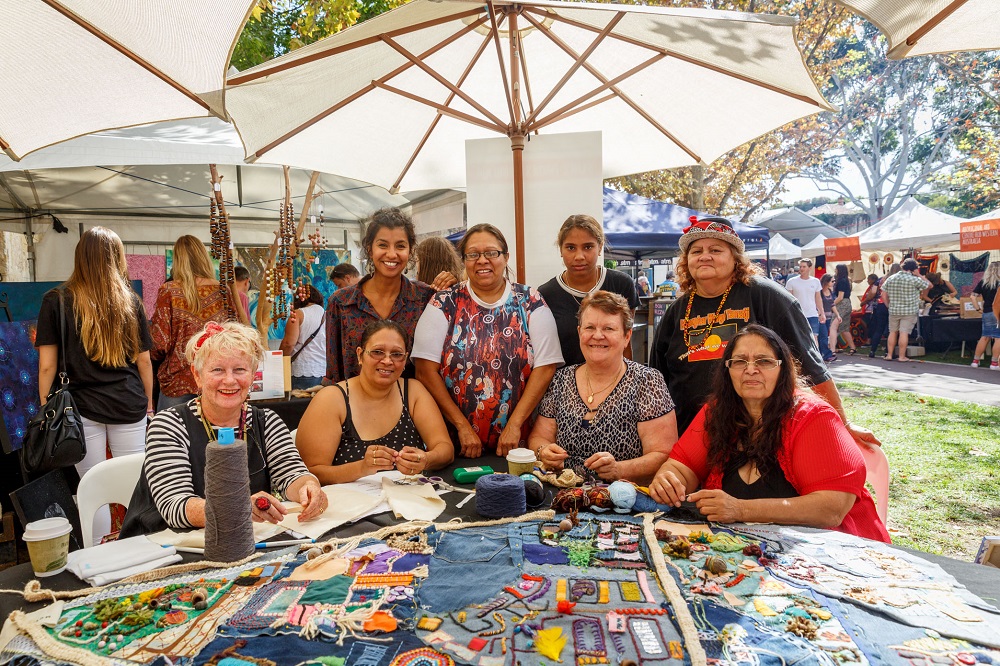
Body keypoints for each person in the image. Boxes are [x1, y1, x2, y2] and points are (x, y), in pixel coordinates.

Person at [650, 216, 878, 449]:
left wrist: (843, 424)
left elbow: (811, 366)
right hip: (689, 440)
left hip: (758, 441)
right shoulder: (676, 312)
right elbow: (656, 385)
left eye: (715, 249)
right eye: (696, 250)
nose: (704, 256)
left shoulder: (766, 296)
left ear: (736, 259)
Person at [649, 325, 889, 543]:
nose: (750, 370)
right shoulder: (717, 411)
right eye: (740, 361)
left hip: (838, 553)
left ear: (782, 369)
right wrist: (669, 480)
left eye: (763, 361)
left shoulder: (813, 416)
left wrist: (740, 510)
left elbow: (831, 509)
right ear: (728, 369)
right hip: (749, 552)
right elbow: (681, 467)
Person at [120, 322, 327, 537]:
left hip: (235, 540)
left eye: (239, 369)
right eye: (217, 370)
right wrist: (237, 508)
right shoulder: (169, 425)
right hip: (164, 546)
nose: (229, 380)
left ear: (253, 375)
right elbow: (175, 506)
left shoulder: (266, 422)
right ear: (197, 375)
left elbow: (291, 473)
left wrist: (308, 487)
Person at [35, 227, 154, 544]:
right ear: (117, 258)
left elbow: (47, 364)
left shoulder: (56, 301)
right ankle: (139, 549)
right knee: (134, 484)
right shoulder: (130, 302)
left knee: (92, 486)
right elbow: (143, 361)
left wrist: (47, 406)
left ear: (79, 257)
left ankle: (99, 558)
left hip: (79, 408)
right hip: (128, 403)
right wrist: (150, 404)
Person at [413, 223, 564, 458]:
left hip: (519, 444)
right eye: (473, 254)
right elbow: (424, 371)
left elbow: (546, 367)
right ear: (464, 260)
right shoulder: (443, 303)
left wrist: (514, 425)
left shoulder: (530, 301)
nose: (482, 260)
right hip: (453, 442)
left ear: (505, 257)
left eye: (492, 253)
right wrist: (462, 426)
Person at [528, 291, 677, 484]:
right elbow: (539, 437)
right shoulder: (561, 379)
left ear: (626, 336)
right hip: (564, 495)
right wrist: (543, 451)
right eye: (590, 327)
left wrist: (619, 469)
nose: (598, 336)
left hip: (623, 501)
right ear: (580, 332)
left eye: (608, 328)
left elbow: (664, 454)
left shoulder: (647, 381)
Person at [296, 320, 454, 483]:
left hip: (407, 502)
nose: (387, 361)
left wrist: (425, 459)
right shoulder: (331, 399)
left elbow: (445, 448)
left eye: (396, 354)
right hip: (350, 505)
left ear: (405, 359)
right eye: (377, 352)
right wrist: (361, 468)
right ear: (360, 355)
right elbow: (309, 473)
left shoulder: (413, 391)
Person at [325, 209, 434, 383]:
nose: (391, 254)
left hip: (412, 406)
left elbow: (434, 366)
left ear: (410, 251)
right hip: (355, 406)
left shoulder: (426, 298)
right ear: (369, 249)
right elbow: (333, 372)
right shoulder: (341, 303)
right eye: (383, 245)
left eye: (400, 246)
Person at [151, 235, 246, 410]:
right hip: (215, 378)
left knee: (171, 434)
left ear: (178, 260)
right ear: (203, 257)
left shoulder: (169, 291)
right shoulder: (222, 291)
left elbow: (159, 342)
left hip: (177, 380)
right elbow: (236, 333)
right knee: (216, 435)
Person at [538, 214, 639, 366]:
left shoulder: (622, 284)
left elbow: (625, 343)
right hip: (564, 384)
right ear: (561, 250)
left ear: (600, 247)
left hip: (613, 382)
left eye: (588, 247)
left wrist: (628, 383)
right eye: (570, 247)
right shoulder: (546, 294)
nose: (579, 256)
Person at [280, 284, 327, 389]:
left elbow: (288, 344)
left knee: (300, 404)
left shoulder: (298, 314)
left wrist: (279, 362)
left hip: (302, 370)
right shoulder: (328, 315)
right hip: (324, 371)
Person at [881, 258, 928, 363]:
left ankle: (889, 355)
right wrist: (919, 275)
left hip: (893, 310)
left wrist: (888, 305)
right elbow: (928, 285)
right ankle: (901, 356)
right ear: (913, 269)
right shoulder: (914, 279)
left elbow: (883, 294)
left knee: (892, 332)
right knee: (904, 333)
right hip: (909, 311)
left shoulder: (891, 278)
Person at [784, 259, 825, 346]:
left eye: (804, 266)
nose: (801, 269)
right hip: (798, 314)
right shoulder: (791, 281)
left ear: (810, 268)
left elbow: (818, 298)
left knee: (814, 338)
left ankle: (816, 359)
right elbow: (788, 299)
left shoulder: (815, 281)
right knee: (798, 339)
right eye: (800, 266)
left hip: (812, 314)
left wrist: (821, 312)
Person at [971, 261, 1000, 370]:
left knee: (985, 337)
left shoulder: (983, 282)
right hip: (998, 312)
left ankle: (975, 361)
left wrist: (978, 308)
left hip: (986, 311)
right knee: (998, 338)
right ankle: (994, 363)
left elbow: (973, 296)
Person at [868, 264, 899, 358]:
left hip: (880, 305)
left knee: (879, 329)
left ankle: (872, 351)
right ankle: (888, 352)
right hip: (892, 304)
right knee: (892, 330)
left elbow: (873, 292)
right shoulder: (897, 279)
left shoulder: (880, 279)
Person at [832, 263, 857, 355]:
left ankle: (832, 349)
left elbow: (840, 297)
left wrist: (831, 304)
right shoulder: (847, 280)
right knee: (844, 328)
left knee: (833, 326)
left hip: (842, 304)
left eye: (836, 269)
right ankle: (853, 348)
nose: (835, 270)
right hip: (847, 303)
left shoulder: (841, 281)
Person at [859, 273, 881, 351]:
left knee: (870, 326)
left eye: (868, 279)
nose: (867, 281)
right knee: (873, 326)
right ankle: (874, 341)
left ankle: (869, 341)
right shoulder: (873, 287)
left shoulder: (874, 287)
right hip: (872, 309)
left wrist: (863, 303)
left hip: (871, 309)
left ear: (873, 280)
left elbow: (870, 297)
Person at [818, 274, 837, 363]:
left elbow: (832, 304)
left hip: (829, 317)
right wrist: (820, 314)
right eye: (832, 281)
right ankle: (827, 355)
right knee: (824, 336)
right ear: (826, 282)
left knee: (823, 336)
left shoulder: (830, 291)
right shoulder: (820, 292)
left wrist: (837, 314)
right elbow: (818, 304)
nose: (834, 283)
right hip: (821, 317)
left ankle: (820, 354)